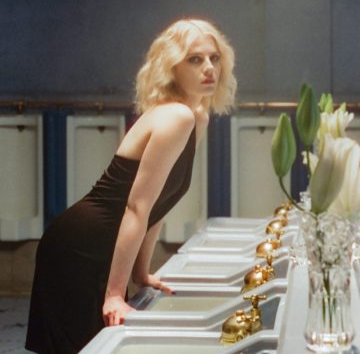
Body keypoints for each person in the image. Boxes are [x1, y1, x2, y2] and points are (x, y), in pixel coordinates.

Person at [25, 19, 237, 354]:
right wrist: (114, 293)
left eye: (215, 58)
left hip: (105, 250)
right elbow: (137, 207)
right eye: (195, 59)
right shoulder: (176, 117)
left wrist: (141, 273)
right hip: (81, 248)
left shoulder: (196, 116)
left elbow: (158, 205)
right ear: (172, 67)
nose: (209, 68)